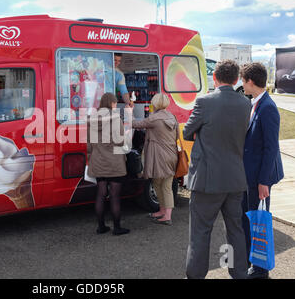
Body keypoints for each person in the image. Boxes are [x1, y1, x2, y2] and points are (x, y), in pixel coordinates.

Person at [183, 60, 251, 279]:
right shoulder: (245, 103)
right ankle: (238, 272)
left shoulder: (205, 101)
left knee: (200, 233)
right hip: (235, 179)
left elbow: (186, 132)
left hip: (206, 180)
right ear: (236, 80)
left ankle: (196, 276)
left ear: (215, 78)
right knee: (235, 231)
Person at [240, 62, 284, 279]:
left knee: (258, 222)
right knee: (249, 219)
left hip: (259, 178)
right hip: (249, 176)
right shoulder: (255, 103)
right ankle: (252, 262)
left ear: (250, 81)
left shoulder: (267, 107)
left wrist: (264, 182)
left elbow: (271, 147)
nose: (241, 84)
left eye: (242, 80)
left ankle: (260, 270)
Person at [131, 93, 178, 225]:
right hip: (171, 155)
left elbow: (136, 124)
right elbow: (177, 136)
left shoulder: (154, 118)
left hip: (159, 156)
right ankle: (162, 211)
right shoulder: (172, 117)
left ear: (155, 104)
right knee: (159, 183)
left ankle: (167, 216)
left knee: (164, 186)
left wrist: (130, 112)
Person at [87, 92, 130, 235]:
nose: (116, 105)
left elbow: (89, 145)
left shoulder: (92, 119)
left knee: (100, 194)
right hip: (114, 161)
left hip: (98, 160)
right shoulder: (116, 118)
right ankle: (117, 228)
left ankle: (101, 226)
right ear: (111, 103)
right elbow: (120, 141)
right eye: (115, 102)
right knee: (115, 196)